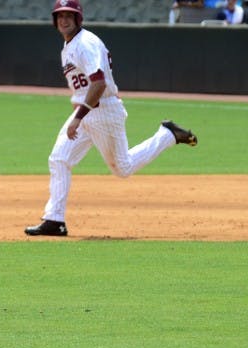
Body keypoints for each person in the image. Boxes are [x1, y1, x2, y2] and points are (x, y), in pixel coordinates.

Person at [26, 0, 199, 237]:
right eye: (60, 15)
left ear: (78, 19)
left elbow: (99, 83)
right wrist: (81, 114)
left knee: (123, 168)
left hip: (102, 111)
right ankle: (55, 220)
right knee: (59, 159)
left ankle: (167, 135)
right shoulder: (70, 45)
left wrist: (78, 117)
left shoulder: (84, 44)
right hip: (87, 109)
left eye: (69, 15)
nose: (64, 19)